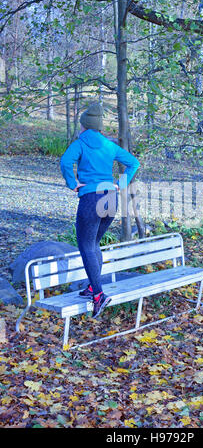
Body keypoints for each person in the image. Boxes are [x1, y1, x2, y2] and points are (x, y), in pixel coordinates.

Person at [60, 103, 140, 318]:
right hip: (110, 198)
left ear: (84, 126)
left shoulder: (79, 144)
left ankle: (98, 295)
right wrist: (120, 184)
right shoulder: (109, 145)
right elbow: (133, 163)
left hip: (90, 198)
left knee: (86, 245)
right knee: (94, 244)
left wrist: (72, 183)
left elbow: (65, 162)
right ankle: (92, 287)